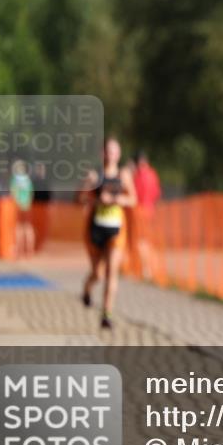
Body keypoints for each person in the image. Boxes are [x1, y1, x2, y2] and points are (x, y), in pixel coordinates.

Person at [78, 137, 137, 329]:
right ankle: (87, 289)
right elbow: (79, 199)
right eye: (107, 151)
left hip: (116, 229)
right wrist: (96, 199)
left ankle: (106, 313)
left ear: (118, 154)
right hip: (95, 228)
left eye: (114, 151)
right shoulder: (95, 175)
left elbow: (133, 200)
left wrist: (117, 199)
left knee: (113, 271)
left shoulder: (124, 175)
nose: (110, 154)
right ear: (102, 154)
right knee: (98, 273)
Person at [132, 150, 161, 280]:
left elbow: (133, 194)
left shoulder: (137, 176)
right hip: (151, 211)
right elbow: (157, 193)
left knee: (140, 241)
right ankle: (151, 268)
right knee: (148, 241)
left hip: (139, 211)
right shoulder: (153, 173)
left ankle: (146, 269)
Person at [10, 160, 35, 258]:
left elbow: (13, 193)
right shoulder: (28, 180)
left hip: (18, 206)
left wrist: (17, 203)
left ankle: (19, 250)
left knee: (19, 228)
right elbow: (31, 194)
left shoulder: (15, 179)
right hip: (27, 206)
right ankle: (29, 250)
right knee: (28, 227)